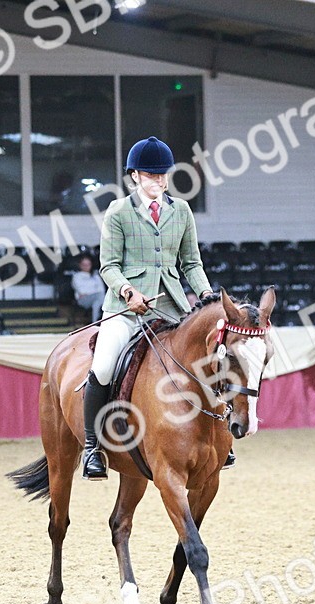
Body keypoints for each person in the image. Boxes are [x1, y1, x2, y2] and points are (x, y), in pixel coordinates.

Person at [82, 136, 218, 481]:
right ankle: (91, 448)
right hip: (127, 310)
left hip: (171, 308)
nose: (158, 181)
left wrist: (205, 296)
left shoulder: (181, 210)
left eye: (162, 175)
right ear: (134, 177)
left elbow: (191, 262)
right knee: (103, 366)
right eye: (150, 175)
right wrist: (129, 291)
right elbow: (108, 266)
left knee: (208, 360)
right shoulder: (118, 212)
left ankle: (218, 439)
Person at [70, 254, 105, 323]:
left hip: (97, 298)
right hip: (83, 300)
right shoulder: (76, 277)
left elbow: (102, 290)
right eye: (84, 265)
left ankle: (95, 321)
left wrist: (91, 292)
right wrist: (94, 290)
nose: (86, 267)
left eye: (88, 264)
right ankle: (97, 321)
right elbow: (82, 291)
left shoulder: (95, 276)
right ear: (80, 265)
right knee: (99, 297)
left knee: (97, 302)